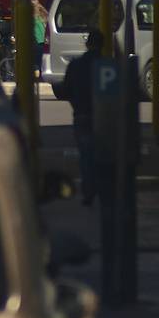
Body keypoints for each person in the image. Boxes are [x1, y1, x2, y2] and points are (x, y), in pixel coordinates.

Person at [63, 28, 103, 206]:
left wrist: (77, 105)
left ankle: (88, 192)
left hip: (81, 114)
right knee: (103, 155)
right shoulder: (106, 66)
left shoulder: (75, 65)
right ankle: (103, 189)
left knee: (86, 156)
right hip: (102, 117)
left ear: (87, 44)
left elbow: (66, 90)